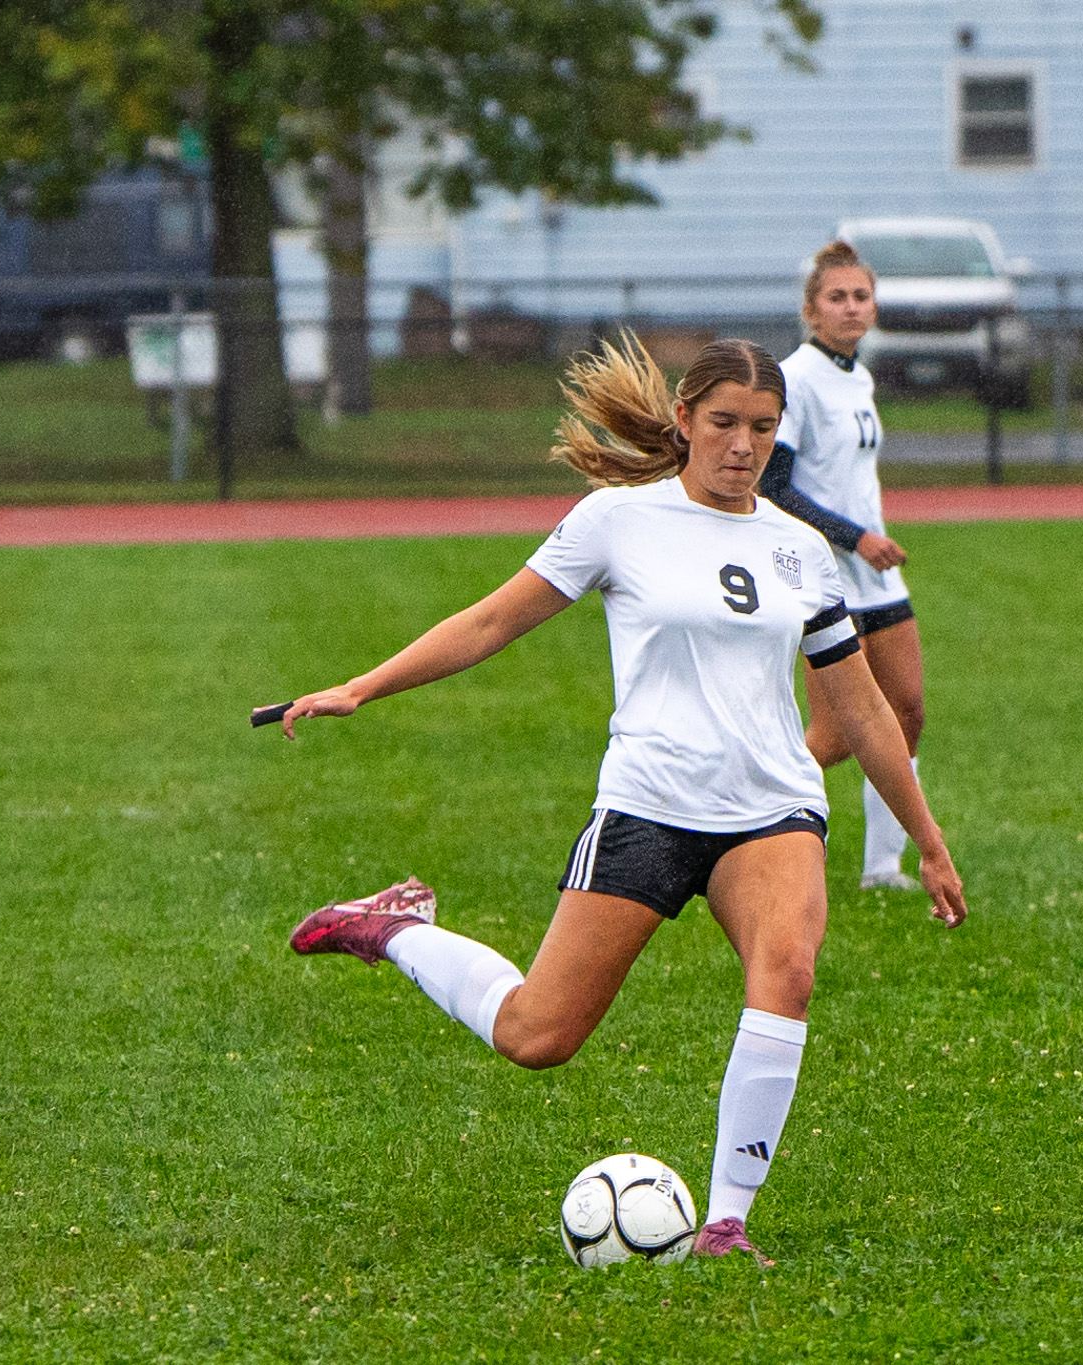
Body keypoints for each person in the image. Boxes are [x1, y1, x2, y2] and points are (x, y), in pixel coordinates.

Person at [267, 335, 967, 1265]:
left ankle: (725, 1223)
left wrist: (926, 836)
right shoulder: (615, 521)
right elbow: (488, 621)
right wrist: (362, 685)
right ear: (683, 422)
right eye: (723, 423)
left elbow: (863, 710)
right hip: (646, 805)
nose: (742, 445)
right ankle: (395, 926)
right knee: (537, 1035)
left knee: (786, 971)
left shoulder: (802, 551)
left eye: (762, 428)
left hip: (770, 810)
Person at [760, 240, 926, 891]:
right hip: (825, 574)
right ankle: (746, 829)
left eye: (861, 295)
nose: (852, 306)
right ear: (811, 309)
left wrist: (869, 541)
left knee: (906, 711)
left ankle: (883, 868)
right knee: (832, 734)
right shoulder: (794, 378)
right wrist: (855, 537)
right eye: (837, 296)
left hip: (878, 574)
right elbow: (776, 486)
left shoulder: (858, 374)